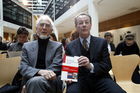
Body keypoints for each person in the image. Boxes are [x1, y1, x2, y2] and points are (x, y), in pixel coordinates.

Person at [65, 13, 126, 93]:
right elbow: (69, 69)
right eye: (80, 23)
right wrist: (68, 76)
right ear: (76, 27)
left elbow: (107, 65)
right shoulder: (70, 46)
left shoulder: (102, 42)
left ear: (90, 25)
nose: (84, 25)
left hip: (100, 77)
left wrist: (90, 65)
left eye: (86, 22)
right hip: (79, 79)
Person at [19, 15, 63, 93]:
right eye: (41, 25)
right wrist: (39, 72)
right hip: (30, 79)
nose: (44, 27)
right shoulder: (27, 46)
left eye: (47, 25)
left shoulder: (58, 46)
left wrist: (45, 74)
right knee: (34, 82)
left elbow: (57, 65)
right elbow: (23, 67)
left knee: (35, 82)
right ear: (36, 29)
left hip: (50, 81)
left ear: (51, 30)